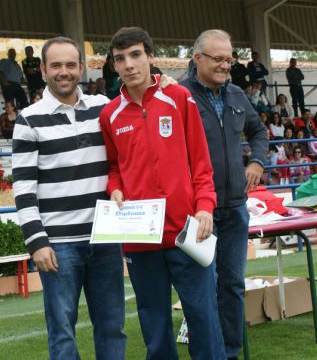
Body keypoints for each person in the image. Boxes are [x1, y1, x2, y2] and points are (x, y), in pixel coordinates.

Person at [101, 27, 225, 359]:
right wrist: (114, 190)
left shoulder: (179, 98)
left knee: (203, 319)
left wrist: (205, 207)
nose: (129, 65)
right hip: (140, 236)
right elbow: (114, 168)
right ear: (114, 66)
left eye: (136, 55)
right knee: (154, 325)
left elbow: (201, 162)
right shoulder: (109, 115)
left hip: (187, 231)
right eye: (120, 59)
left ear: (150, 57)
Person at [12, 36, 126, 359]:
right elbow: (23, 188)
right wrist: (37, 242)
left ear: (81, 68)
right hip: (58, 245)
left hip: (105, 238)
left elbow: (137, 104)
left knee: (112, 327)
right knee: (62, 333)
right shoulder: (28, 119)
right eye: (57, 65)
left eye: (71, 65)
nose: (65, 72)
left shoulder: (103, 107)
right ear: (43, 70)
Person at [182, 29, 268, 360]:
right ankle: (205, 352)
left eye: (229, 59)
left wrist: (257, 161)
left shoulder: (235, 94)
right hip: (198, 211)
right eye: (217, 59)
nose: (224, 65)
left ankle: (229, 353)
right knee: (201, 288)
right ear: (198, 58)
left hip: (234, 208)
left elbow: (258, 132)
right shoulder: (179, 96)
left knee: (232, 286)